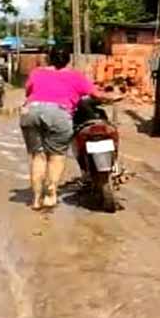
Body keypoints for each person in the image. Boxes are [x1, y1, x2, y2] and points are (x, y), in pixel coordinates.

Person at [20, 47, 117, 210]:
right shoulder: (75, 76)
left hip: (32, 111)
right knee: (56, 156)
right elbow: (96, 95)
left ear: (49, 59)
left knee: (38, 156)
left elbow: (28, 91)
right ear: (68, 61)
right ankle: (51, 194)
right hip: (59, 113)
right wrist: (113, 97)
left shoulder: (37, 73)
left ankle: (36, 199)